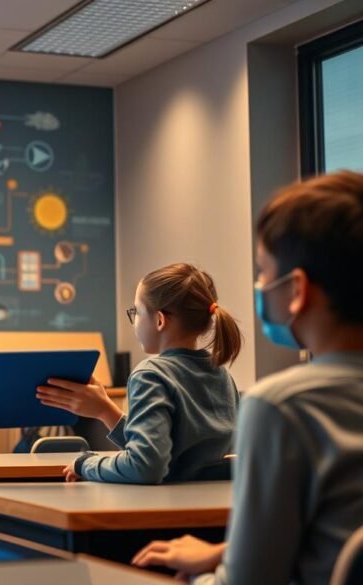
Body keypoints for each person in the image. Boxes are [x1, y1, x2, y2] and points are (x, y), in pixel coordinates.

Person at [132, 171, 363, 584]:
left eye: (263, 271)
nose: (259, 284)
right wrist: (226, 551)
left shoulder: (282, 407)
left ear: (296, 290)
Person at [37, 263, 242, 484]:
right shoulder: (221, 374)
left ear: (159, 320)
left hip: (163, 512)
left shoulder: (150, 374)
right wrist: (105, 410)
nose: (134, 321)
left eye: (136, 311)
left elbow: (145, 466)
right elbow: (169, 456)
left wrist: (86, 464)